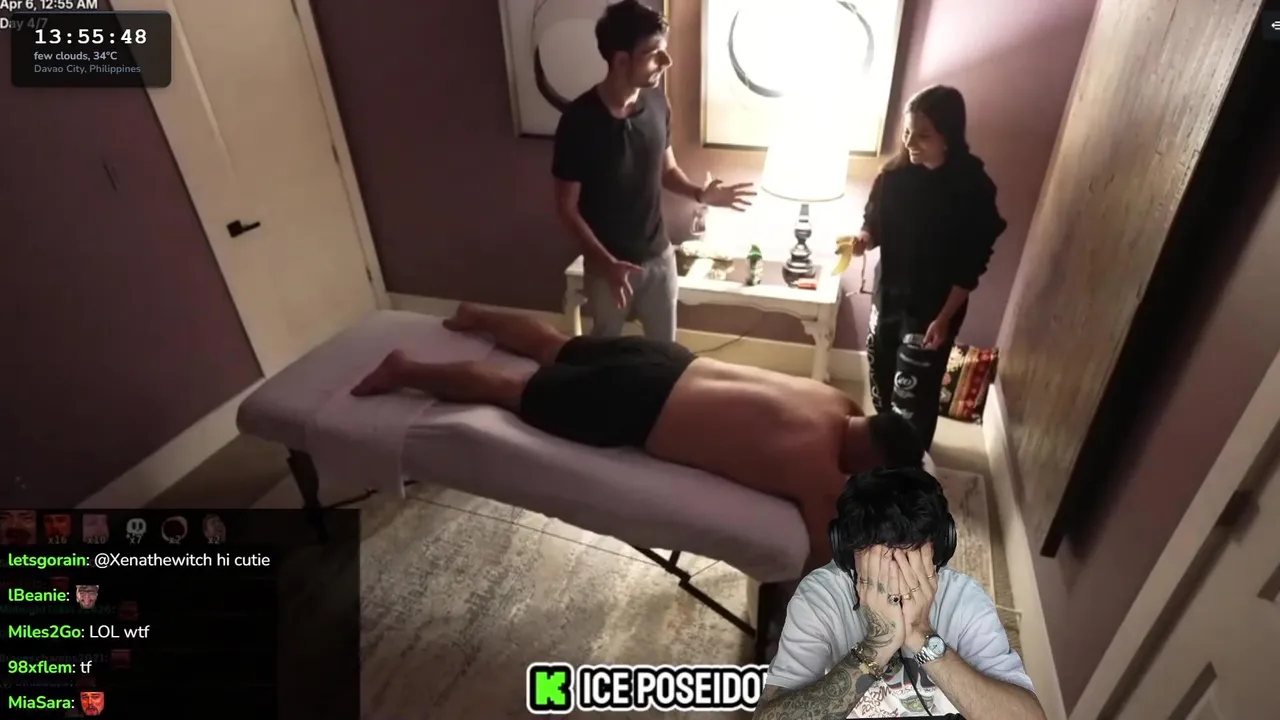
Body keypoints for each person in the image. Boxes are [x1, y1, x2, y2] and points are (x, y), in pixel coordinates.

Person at [350, 303, 923, 571]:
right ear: (869, 460)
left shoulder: (832, 400)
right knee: (512, 391)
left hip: (668, 360)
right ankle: (405, 370)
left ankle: (478, 317)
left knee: (553, 346)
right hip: (639, 407)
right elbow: (826, 563)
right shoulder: (819, 471)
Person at [754, 467, 1047, 719]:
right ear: (847, 552)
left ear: (939, 550)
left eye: (909, 561)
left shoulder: (965, 599)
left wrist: (921, 636)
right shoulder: (820, 597)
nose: (896, 580)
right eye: (880, 565)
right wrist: (876, 646)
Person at [552, 0, 754, 343]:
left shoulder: (658, 103)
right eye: (654, 54)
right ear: (621, 60)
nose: (666, 61)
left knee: (664, 356)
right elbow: (566, 209)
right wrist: (607, 263)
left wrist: (700, 194)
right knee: (605, 354)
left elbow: (667, 169)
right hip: (606, 267)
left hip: (660, 257)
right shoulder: (578, 121)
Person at [847, 85, 1008, 450]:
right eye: (907, 132)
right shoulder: (893, 177)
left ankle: (910, 462)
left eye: (923, 135)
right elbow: (874, 222)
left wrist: (945, 318)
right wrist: (863, 238)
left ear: (948, 137)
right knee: (881, 377)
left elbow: (971, 264)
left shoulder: (973, 189)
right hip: (888, 295)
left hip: (934, 307)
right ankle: (882, 453)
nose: (910, 143)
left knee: (914, 394)